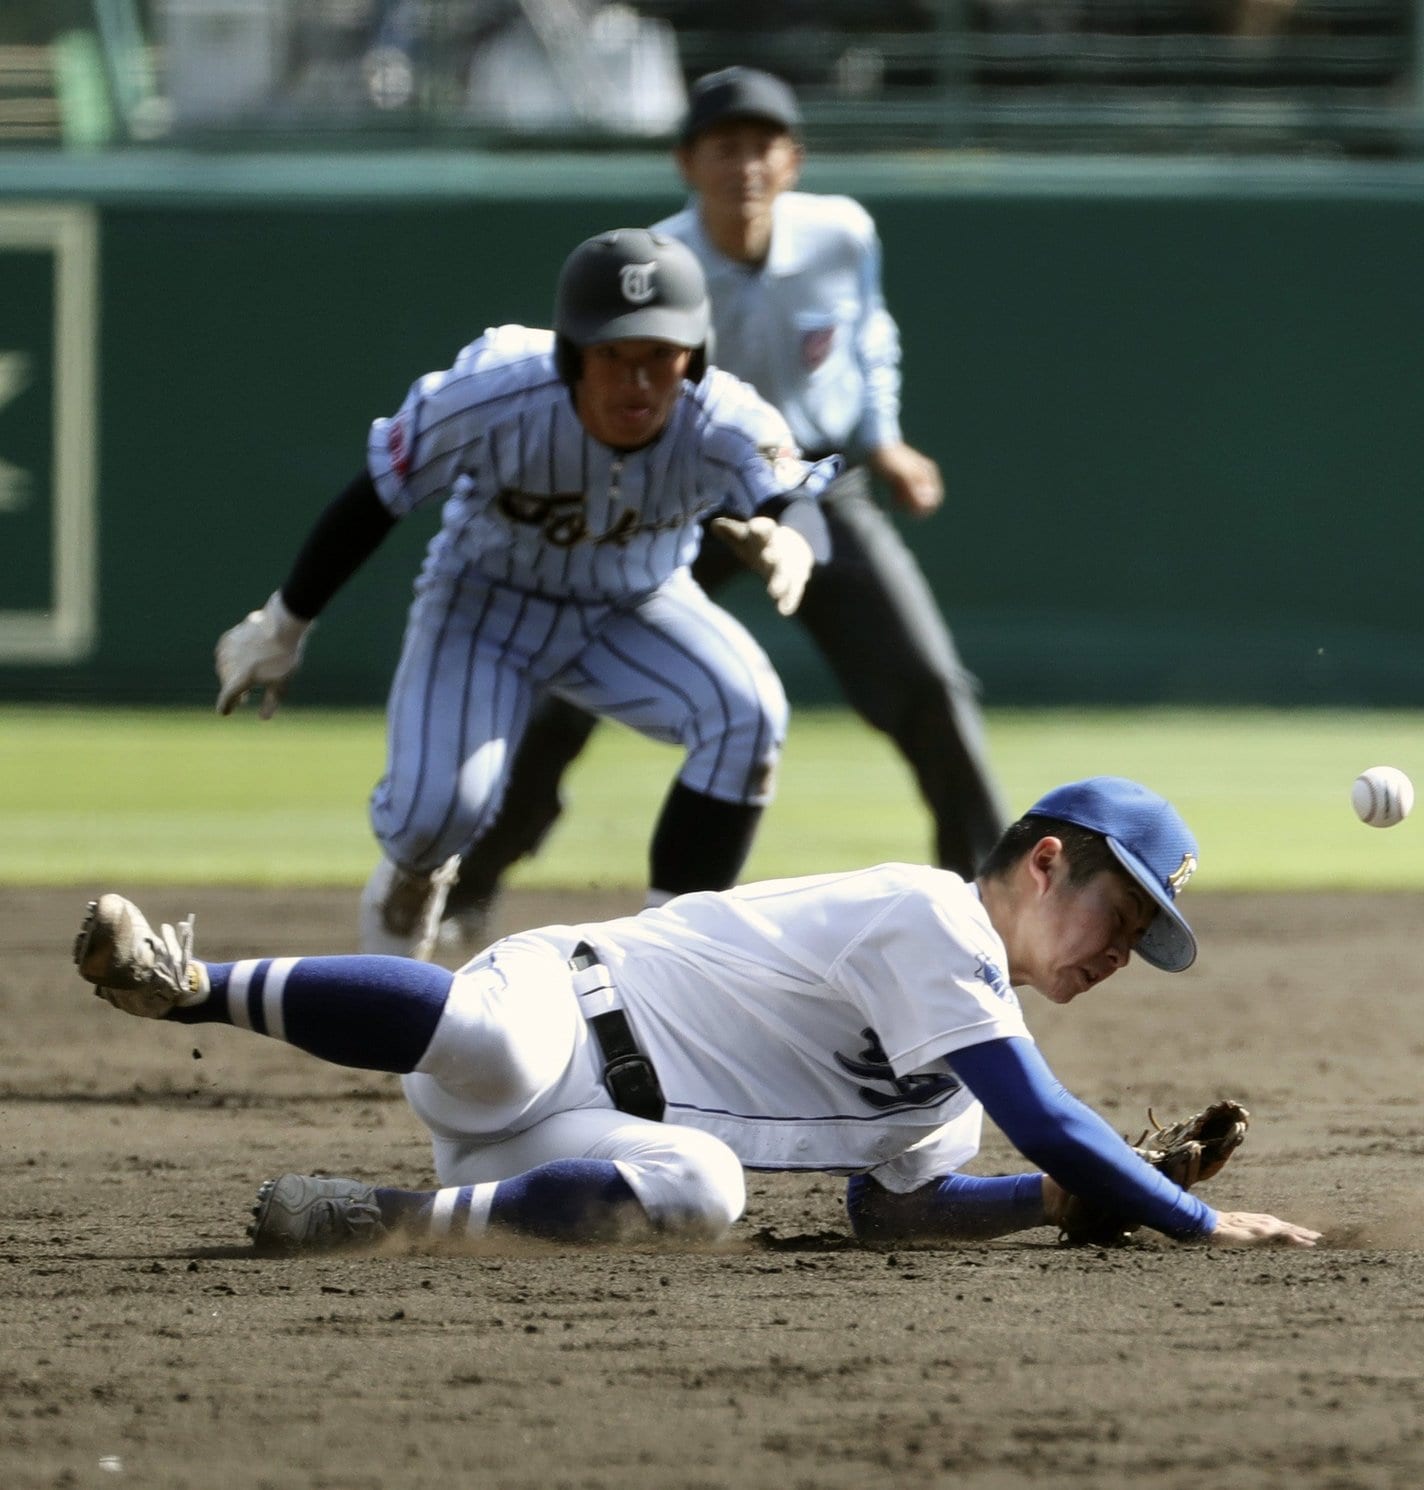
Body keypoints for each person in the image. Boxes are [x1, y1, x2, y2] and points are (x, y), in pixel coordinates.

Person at [73, 776, 1319, 1253]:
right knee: (495, 1035)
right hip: (558, 1011)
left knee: (706, 1190)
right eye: (1122, 911)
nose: (1123, 951)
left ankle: (381, 1216)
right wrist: (1196, 1216)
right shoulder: (933, 918)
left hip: (553, 1157)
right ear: (1046, 862)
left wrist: (1044, 1202)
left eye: (1143, 939)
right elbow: (1042, 1114)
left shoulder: (957, 1058)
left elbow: (895, 1210)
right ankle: (189, 984)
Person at [442, 66, 1008, 948]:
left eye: (762, 146)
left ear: (792, 161)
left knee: (928, 682)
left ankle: (991, 903)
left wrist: (884, 437)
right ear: (687, 163)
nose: (745, 164)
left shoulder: (841, 234)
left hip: (809, 486)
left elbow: (869, 336)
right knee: (563, 697)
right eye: (724, 147)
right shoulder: (654, 268)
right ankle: (469, 883)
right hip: (677, 495)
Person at [213, 226, 839, 957]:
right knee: (434, 817)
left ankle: (672, 963)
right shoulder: (496, 388)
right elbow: (378, 497)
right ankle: (409, 897)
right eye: (614, 355)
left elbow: (795, 498)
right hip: (485, 603)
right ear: (573, 352)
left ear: (693, 356)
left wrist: (793, 537)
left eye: (658, 356)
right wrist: (285, 623)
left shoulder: (722, 416)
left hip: (633, 606)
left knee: (749, 713)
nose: (637, 381)